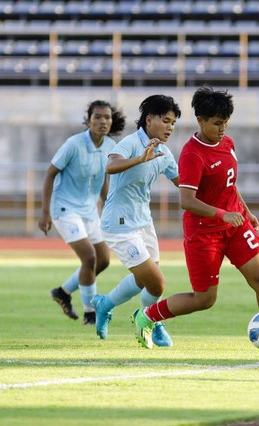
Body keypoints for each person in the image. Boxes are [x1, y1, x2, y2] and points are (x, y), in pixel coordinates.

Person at [132, 86, 259, 350]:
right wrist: (222, 214)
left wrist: (245, 210)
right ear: (201, 120)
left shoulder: (227, 144)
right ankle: (147, 315)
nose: (222, 129)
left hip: (235, 225)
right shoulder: (192, 154)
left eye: (226, 123)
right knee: (204, 299)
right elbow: (186, 200)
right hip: (204, 232)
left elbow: (228, 184)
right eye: (217, 123)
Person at [91, 94, 181, 347]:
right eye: (166, 121)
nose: (170, 128)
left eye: (173, 123)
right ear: (149, 119)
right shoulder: (132, 143)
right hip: (119, 225)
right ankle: (151, 320)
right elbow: (111, 166)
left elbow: (182, 182)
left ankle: (104, 304)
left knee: (145, 280)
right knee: (157, 281)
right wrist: (139, 159)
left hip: (143, 222)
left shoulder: (163, 151)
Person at [38, 100, 125, 325]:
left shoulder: (109, 146)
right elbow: (50, 174)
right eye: (97, 117)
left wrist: (108, 207)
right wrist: (45, 212)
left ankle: (63, 292)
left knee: (103, 260)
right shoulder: (73, 144)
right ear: (88, 120)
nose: (103, 121)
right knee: (89, 257)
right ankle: (90, 312)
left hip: (88, 210)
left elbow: (103, 180)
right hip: (64, 208)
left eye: (107, 117)